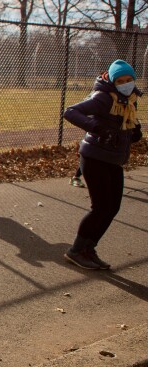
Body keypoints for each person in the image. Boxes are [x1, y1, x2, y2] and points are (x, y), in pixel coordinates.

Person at [62, 59, 141, 270]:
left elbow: (120, 123)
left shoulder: (130, 99)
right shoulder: (103, 97)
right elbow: (70, 112)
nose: (126, 83)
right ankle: (76, 250)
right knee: (100, 208)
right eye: (121, 80)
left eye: (129, 79)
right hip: (95, 157)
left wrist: (133, 132)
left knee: (112, 207)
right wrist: (96, 128)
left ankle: (89, 248)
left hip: (113, 158)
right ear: (113, 81)